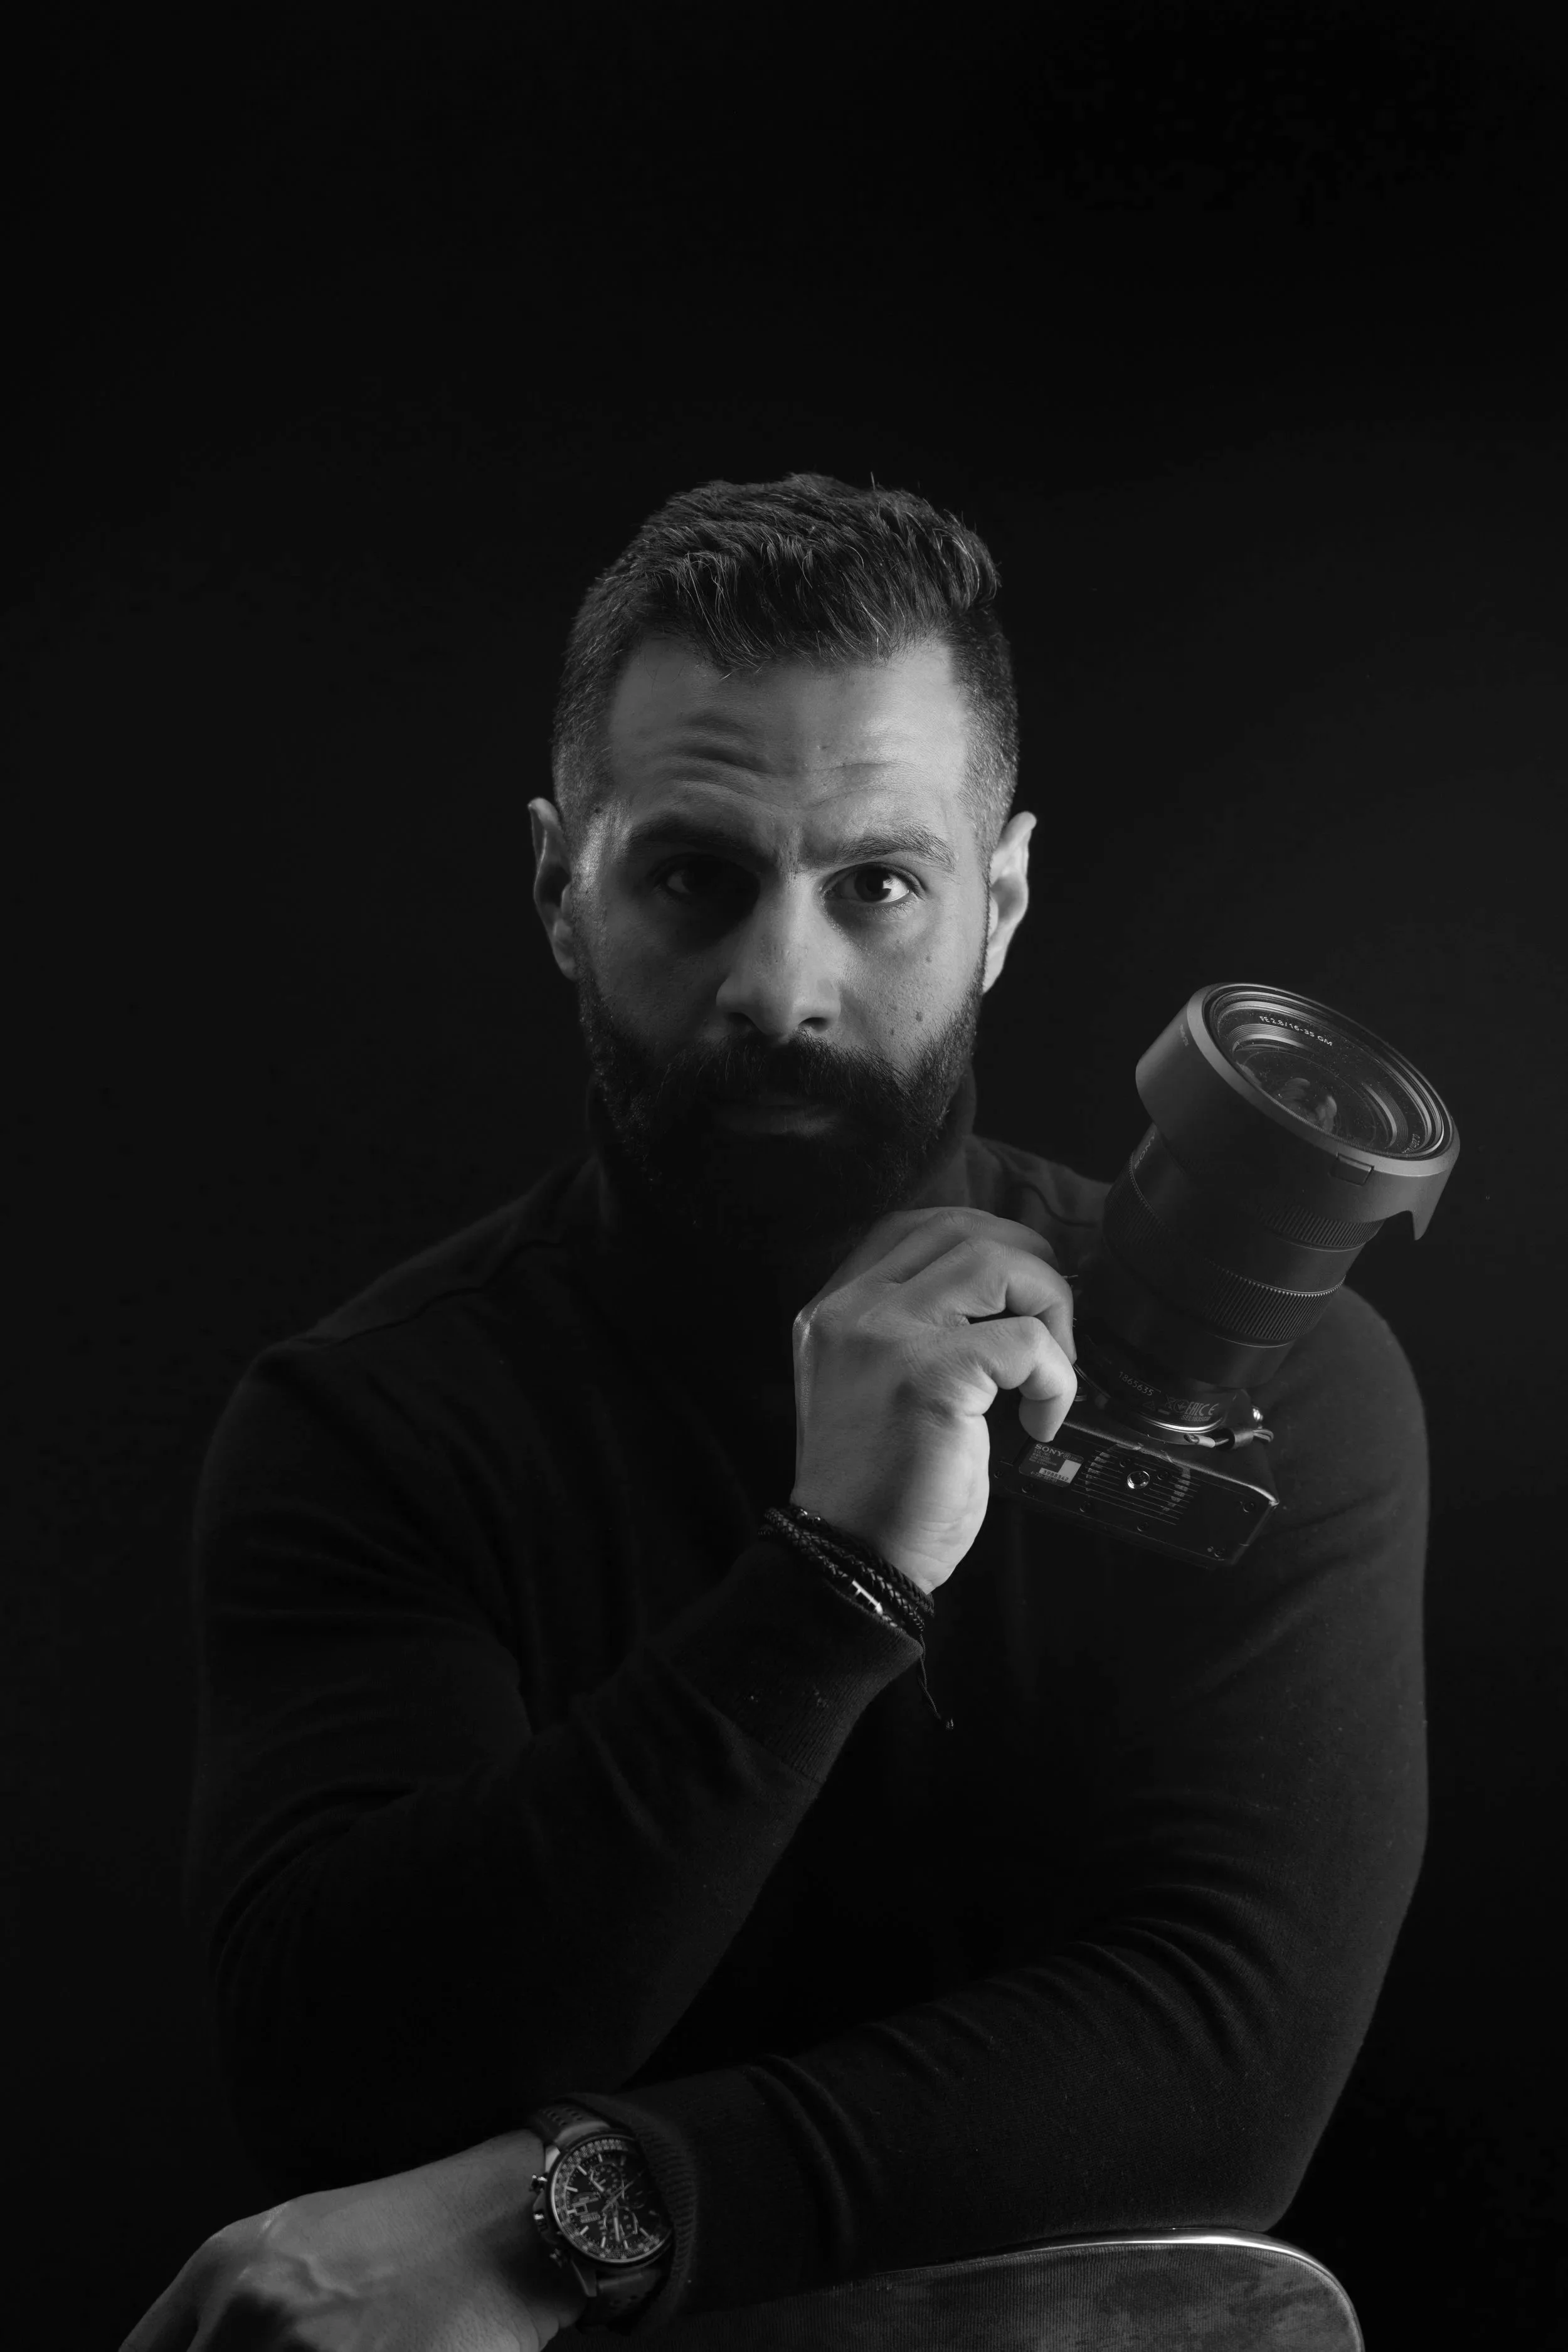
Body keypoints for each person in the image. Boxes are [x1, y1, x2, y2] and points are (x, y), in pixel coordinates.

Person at [122, 474, 1428, 2351]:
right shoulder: (369, 1423)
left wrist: (571, 2212)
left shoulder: (1283, 1387)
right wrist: (837, 1574)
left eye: (877, 883)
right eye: (691, 875)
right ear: (560, 887)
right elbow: (347, 2084)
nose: (778, 987)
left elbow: (1224, 2070)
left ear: (1001, 900)